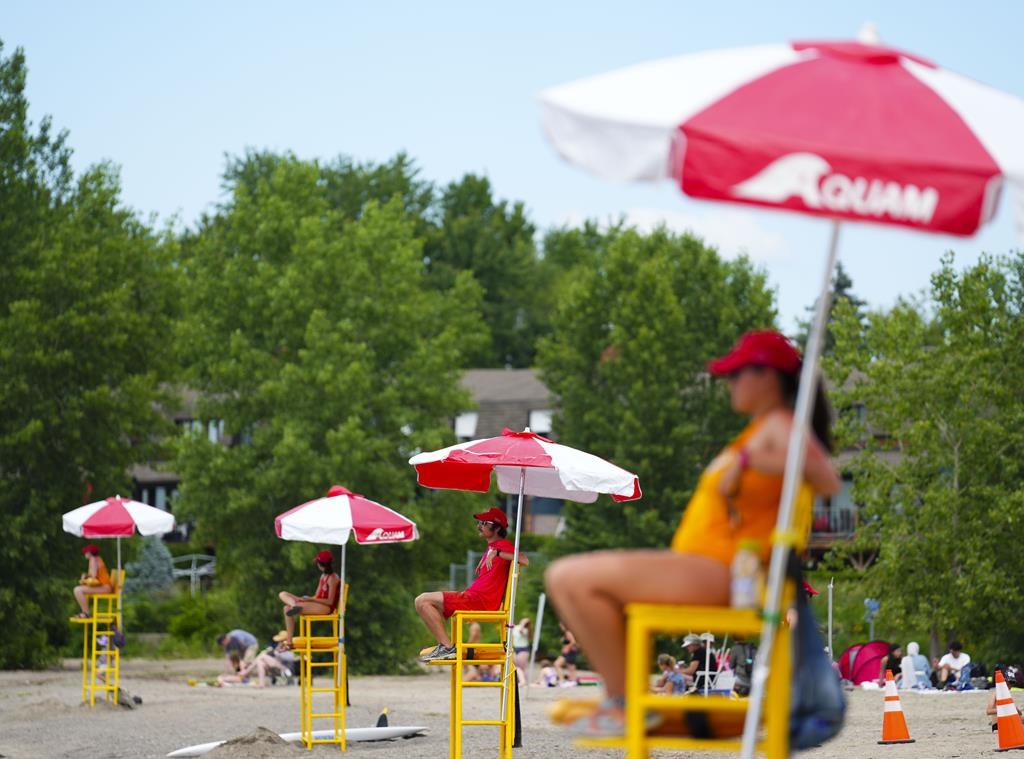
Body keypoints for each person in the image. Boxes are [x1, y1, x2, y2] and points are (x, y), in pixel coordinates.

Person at [544, 329, 841, 737]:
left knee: (571, 578)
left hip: (722, 569)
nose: (729, 384)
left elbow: (827, 478)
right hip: (710, 566)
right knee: (575, 583)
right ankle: (624, 700)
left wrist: (751, 460)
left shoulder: (780, 426)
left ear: (767, 377)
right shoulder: (762, 429)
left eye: (737, 375)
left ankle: (624, 703)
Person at [414, 508, 528, 662]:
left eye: (484, 523)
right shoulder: (492, 547)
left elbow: (524, 560)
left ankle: (447, 648)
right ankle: (445, 646)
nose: (478, 526)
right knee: (426, 605)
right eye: (478, 522)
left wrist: (499, 553)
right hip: (474, 597)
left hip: (478, 600)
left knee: (422, 600)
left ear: (497, 527)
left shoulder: (502, 545)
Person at [278, 549, 341, 649]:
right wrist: (307, 599)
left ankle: (289, 643)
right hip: (316, 603)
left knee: (287, 609)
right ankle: (294, 605)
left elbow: (330, 601)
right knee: (283, 594)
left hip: (326, 607)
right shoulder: (323, 576)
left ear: (320, 564)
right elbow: (316, 595)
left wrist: (311, 600)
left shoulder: (333, 578)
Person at [72, 544, 113, 618]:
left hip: (105, 587)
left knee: (78, 590)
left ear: (90, 553)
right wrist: (86, 576)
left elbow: (93, 576)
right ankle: (85, 613)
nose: (85, 553)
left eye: (86, 552)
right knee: (79, 589)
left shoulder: (93, 559)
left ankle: (86, 613)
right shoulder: (96, 558)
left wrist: (84, 577)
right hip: (105, 586)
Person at [512, 618, 532, 686]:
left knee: (522, 667)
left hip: (523, 649)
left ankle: (525, 681)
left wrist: (523, 624)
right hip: (515, 648)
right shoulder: (515, 627)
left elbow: (521, 631)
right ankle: (522, 680)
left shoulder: (525, 630)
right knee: (516, 666)